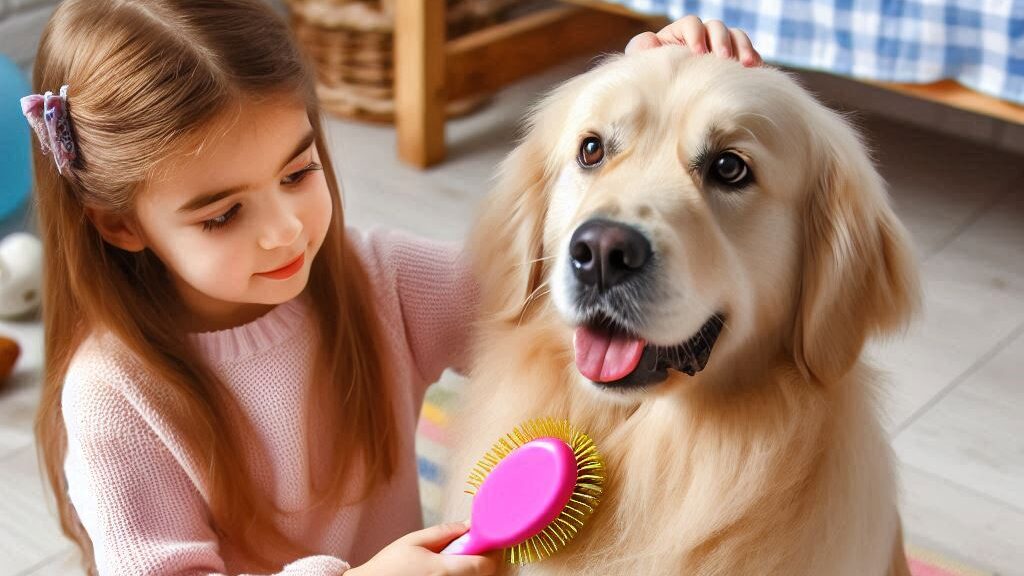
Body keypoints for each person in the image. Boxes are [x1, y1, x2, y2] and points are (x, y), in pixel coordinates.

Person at [24, 1, 761, 574]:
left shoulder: (376, 280)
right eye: (223, 215)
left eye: (297, 172)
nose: (286, 230)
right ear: (120, 226)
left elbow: (551, 293)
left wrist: (641, 97)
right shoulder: (111, 397)